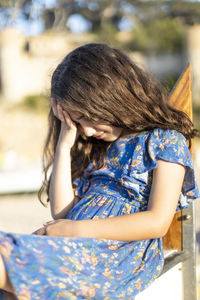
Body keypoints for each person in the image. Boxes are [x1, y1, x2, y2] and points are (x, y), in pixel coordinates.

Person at [0, 43, 199, 299]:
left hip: (115, 255)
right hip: (74, 244)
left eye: (88, 118)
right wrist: (64, 143)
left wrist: (74, 229)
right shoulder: (98, 149)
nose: (89, 132)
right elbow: (62, 212)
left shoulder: (164, 141)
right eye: (78, 123)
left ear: (110, 98)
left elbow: (157, 222)